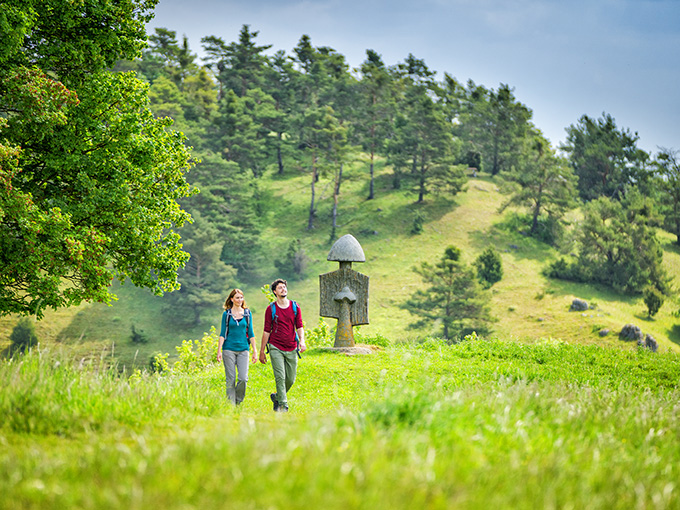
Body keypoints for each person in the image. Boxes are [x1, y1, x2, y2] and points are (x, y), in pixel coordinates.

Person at [259, 278, 306, 412]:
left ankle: (277, 397)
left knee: (290, 379)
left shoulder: (295, 307)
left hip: (292, 346)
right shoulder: (271, 309)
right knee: (280, 377)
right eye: (280, 288)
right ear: (275, 292)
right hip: (275, 347)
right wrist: (262, 351)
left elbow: (300, 325)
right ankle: (283, 405)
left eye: (284, 287)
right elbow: (266, 330)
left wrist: (302, 341)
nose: (283, 289)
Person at [218, 289, 257, 406]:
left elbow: (251, 333)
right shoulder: (227, 314)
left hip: (243, 349)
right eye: (237, 298)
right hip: (228, 349)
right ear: (232, 299)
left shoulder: (247, 313)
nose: (240, 300)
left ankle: (238, 401)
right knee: (231, 378)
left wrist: (255, 350)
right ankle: (231, 405)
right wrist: (219, 350)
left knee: (243, 378)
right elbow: (222, 333)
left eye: (241, 298)